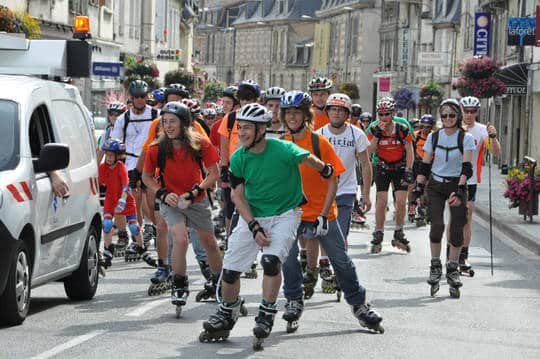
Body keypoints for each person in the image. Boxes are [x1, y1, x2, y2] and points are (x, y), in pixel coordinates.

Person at [279, 90, 384, 334]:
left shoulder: (319, 142)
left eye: (296, 113)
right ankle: (294, 299)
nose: (292, 117)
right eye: (288, 113)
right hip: (291, 213)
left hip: (321, 211)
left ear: (306, 115)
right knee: (288, 258)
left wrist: (324, 215)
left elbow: (333, 179)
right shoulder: (282, 143)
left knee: (341, 260)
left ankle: (359, 304)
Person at [142, 101, 223, 314]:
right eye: (165, 122)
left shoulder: (201, 144)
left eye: (173, 122)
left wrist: (195, 192)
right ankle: (179, 283)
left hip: (196, 199)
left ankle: (219, 282)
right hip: (171, 200)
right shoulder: (156, 148)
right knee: (180, 239)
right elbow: (147, 176)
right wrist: (162, 193)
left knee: (210, 244)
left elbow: (214, 173)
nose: (168, 126)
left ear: (184, 123)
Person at [415, 99, 475, 298]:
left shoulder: (465, 138)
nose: (448, 118)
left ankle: (452, 267)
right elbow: (424, 165)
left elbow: (467, 167)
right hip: (436, 185)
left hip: (456, 185)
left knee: (457, 226)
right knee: (437, 225)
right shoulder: (434, 137)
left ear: (458, 116)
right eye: (444, 115)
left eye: (452, 115)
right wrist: (419, 187)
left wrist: (459, 190)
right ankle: (435, 265)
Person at [109, 80, 159, 258]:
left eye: (143, 96)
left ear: (147, 97)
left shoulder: (156, 115)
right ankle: (138, 242)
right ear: (131, 97)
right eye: (136, 97)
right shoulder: (124, 118)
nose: (140, 100)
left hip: (153, 166)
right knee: (134, 205)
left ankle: (156, 229)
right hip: (130, 165)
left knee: (153, 204)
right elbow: (116, 144)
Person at [318, 93, 372, 243]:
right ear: (327, 111)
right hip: (323, 192)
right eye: (333, 109)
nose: (336, 113)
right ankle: (324, 262)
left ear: (347, 114)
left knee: (341, 235)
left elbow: (366, 165)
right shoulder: (319, 135)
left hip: (346, 191)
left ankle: (340, 264)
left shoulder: (357, 134)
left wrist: (366, 194)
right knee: (323, 232)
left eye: (340, 110)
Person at [458, 96, 500, 275]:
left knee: (466, 219)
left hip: (471, 181)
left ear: (477, 112)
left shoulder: (482, 130)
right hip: (451, 180)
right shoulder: (453, 127)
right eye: (466, 111)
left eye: (472, 111)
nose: (469, 114)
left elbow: (497, 153)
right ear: (461, 111)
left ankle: (463, 256)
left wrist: (494, 137)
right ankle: (451, 254)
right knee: (454, 221)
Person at [366, 97, 415, 254]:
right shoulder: (375, 128)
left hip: (400, 167)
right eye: (380, 114)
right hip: (383, 167)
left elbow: (410, 150)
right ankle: (378, 231)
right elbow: (369, 151)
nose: (383, 118)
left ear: (393, 113)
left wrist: (408, 169)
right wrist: (376, 135)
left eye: (387, 114)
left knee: (401, 202)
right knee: (381, 201)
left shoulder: (401, 128)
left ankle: (399, 230)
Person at [98, 138, 152, 268]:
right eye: (107, 155)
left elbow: (126, 186)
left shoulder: (121, 167)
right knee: (106, 224)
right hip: (110, 200)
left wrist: (122, 200)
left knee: (134, 227)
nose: (108, 158)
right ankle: (107, 251)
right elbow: (99, 182)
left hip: (126, 200)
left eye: (111, 155)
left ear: (118, 156)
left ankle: (141, 248)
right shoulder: (103, 167)